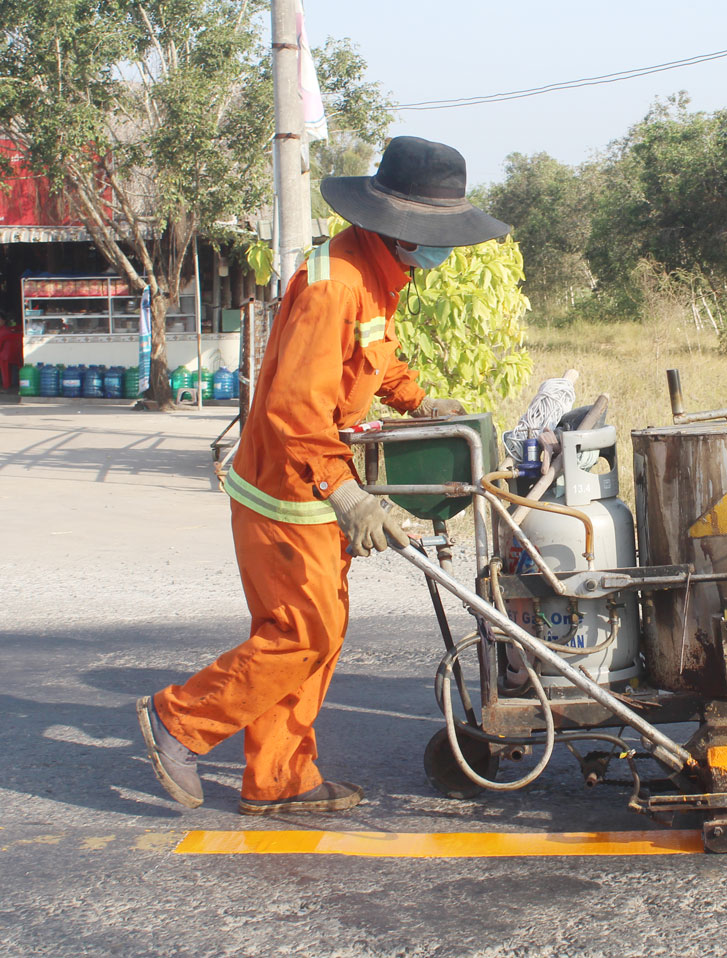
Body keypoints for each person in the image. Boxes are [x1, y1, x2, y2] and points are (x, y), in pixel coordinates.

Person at [137, 136, 511, 814]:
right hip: (286, 491)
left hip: (305, 487)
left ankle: (280, 781)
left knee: (314, 632)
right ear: (400, 225)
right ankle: (179, 722)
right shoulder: (334, 284)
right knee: (301, 634)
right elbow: (293, 409)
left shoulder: (373, 272)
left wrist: (414, 398)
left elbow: (371, 356)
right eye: (434, 235)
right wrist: (347, 497)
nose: (440, 249)